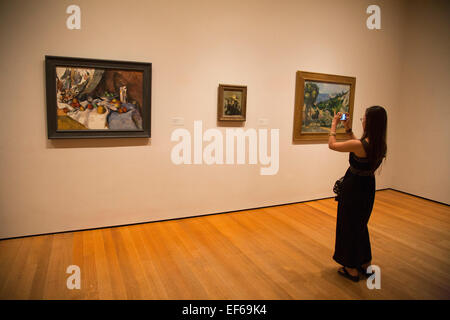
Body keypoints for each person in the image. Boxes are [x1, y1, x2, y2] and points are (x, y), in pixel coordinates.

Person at [328, 106, 388, 282]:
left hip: (353, 188)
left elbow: (332, 145)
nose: (362, 119)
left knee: (348, 226)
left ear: (370, 122)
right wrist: (348, 129)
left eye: (364, 117)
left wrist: (333, 125)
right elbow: (359, 148)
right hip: (367, 187)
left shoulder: (360, 145)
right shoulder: (380, 144)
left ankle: (350, 268)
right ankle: (365, 263)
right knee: (360, 225)